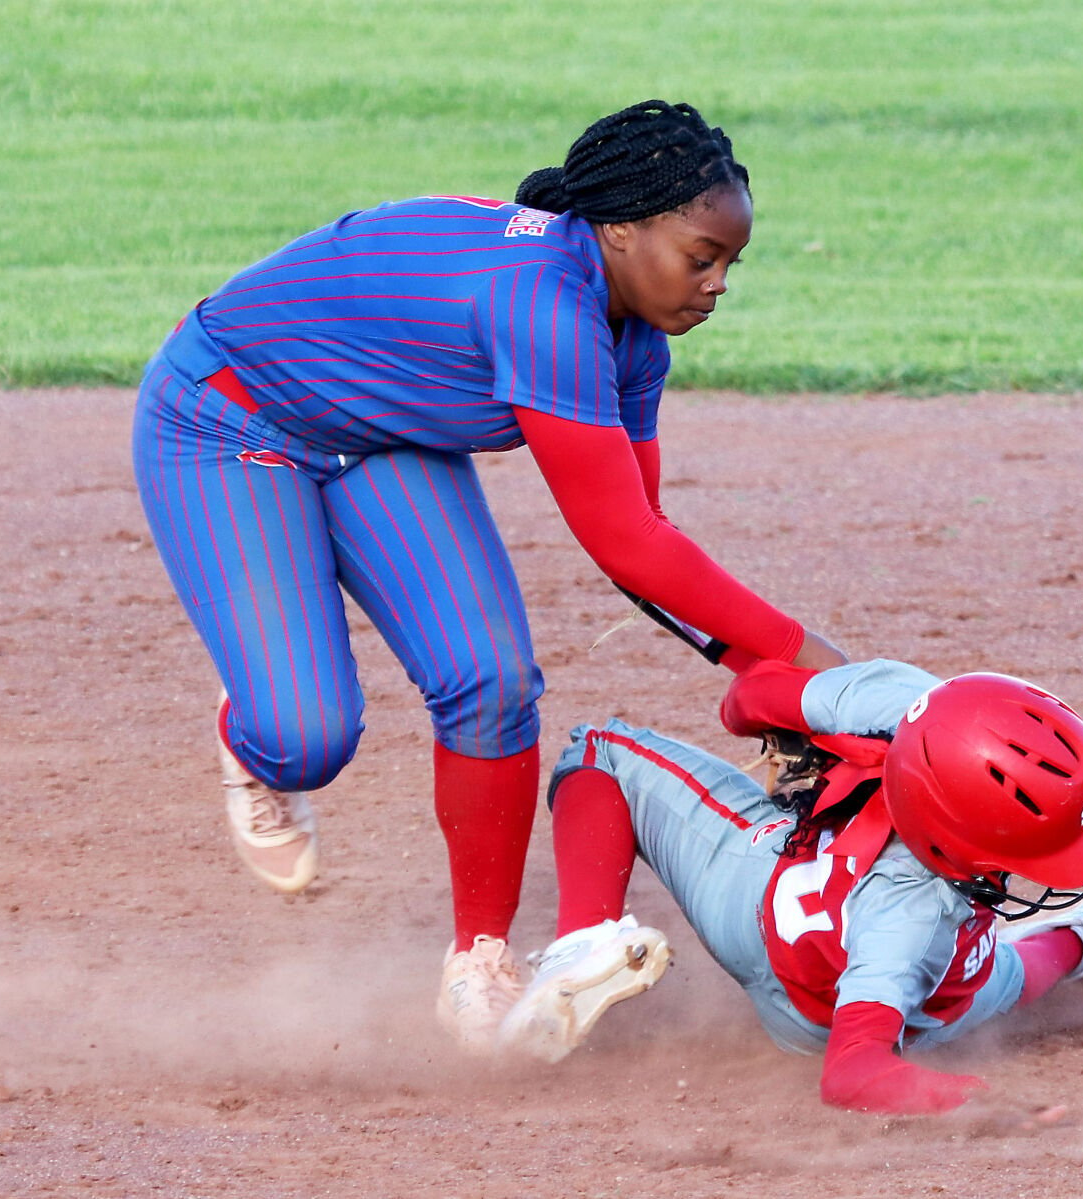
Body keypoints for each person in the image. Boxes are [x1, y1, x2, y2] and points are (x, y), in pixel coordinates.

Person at [130, 100, 846, 1051]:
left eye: (729, 264)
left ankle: (479, 960)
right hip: (227, 419)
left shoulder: (632, 333)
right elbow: (627, 545)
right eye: (700, 255)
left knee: (492, 683)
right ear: (620, 228)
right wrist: (809, 664)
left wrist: (772, 675)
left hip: (383, 436)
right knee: (305, 734)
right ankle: (254, 724)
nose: (716, 284)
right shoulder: (541, 304)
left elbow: (645, 544)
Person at [496, 659, 1083, 1113]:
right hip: (920, 996)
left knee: (600, 750)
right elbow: (858, 1059)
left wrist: (797, 733)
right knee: (1002, 971)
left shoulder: (899, 695)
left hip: (791, 954)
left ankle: (585, 938)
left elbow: (746, 698)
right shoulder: (911, 910)